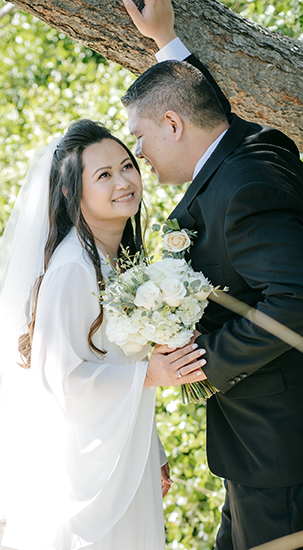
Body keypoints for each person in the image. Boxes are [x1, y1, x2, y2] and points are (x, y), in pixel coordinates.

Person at [0, 119, 208, 549]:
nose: (124, 181)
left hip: (121, 452)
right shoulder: (71, 269)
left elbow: (117, 361)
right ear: (70, 192)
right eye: (103, 175)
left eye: (126, 167)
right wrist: (152, 375)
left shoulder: (114, 262)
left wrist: (150, 450)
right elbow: (59, 379)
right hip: (80, 474)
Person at [122, 0, 303, 548]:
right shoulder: (254, 146)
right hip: (262, 443)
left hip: (277, 447)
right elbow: (205, 104)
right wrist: (166, 41)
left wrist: (201, 363)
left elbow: (296, 298)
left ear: (172, 124)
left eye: (141, 136)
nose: (139, 153)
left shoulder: (242, 185)